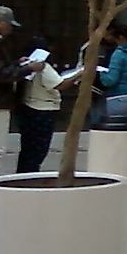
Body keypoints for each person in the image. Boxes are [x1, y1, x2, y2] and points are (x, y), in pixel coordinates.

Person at [0, 6, 45, 176]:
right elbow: (0, 74)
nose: (10, 28)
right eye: (8, 24)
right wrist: (28, 68)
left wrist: (16, 63)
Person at [16, 36, 79, 173]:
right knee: (39, 148)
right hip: (43, 109)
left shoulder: (24, 64)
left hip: (27, 106)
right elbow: (59, 85)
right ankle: (30, 175)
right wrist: (78, 75)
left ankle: (23, 174)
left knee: (27, 147)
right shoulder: (43, 66)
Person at [77, 21, 119, 125]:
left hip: (112, 85)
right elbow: (82, 66)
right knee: (97, 115)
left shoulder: (118, 47)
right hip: (94, 86)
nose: (110, 37)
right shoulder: (91, 46)